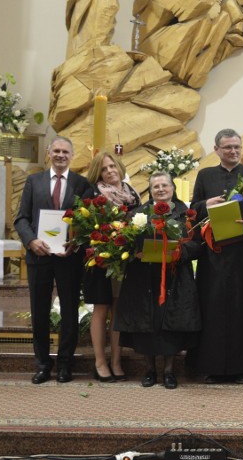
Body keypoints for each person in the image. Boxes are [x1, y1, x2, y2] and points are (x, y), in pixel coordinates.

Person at [14, 136, 91, 384]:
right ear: (48, 153)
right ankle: (42, 364)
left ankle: (65, 364)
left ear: (72, 155)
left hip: (68, 258)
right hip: (39, 256)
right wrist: (31, 241)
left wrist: (75, 242)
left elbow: (87, 222)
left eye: (65, 151)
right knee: (39, 312)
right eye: (56, 150)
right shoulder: (33, 181)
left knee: (69, 311)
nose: (60, 155)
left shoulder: (82, 184)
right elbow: (21, 219)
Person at [190, 129, 243, 384]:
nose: (233, 151)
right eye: (228, 147)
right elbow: (192, 212)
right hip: (214, 255)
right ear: (216, 150)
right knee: (214, 307)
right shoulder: (205, 175)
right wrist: (205, 205)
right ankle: (214, 368)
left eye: (236, 147)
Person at [115, 171, 201, 389]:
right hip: (143, 280)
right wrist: (135, 251)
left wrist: (180, 251)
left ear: (172, 188)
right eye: (156, 187)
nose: (161, 189)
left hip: (175, 278)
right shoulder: (138, 214)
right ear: (150, 191)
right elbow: (127, 242)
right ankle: (150, 370)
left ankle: (169, 371)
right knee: (148, 325)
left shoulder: (187, 214)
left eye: (165, 185)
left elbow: (198, 244)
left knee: (170, 325)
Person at [81, 151, 142, 382]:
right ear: (98, 173)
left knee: (119, 310)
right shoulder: (92, 193)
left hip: (125, 259)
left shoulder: (132, 193)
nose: (109, 171)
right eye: (104, 169)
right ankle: (99, 361)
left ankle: (116, 361)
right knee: (101, 308)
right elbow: (85, 228)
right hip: (100, 260)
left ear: (119, 166)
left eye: (112, 166)